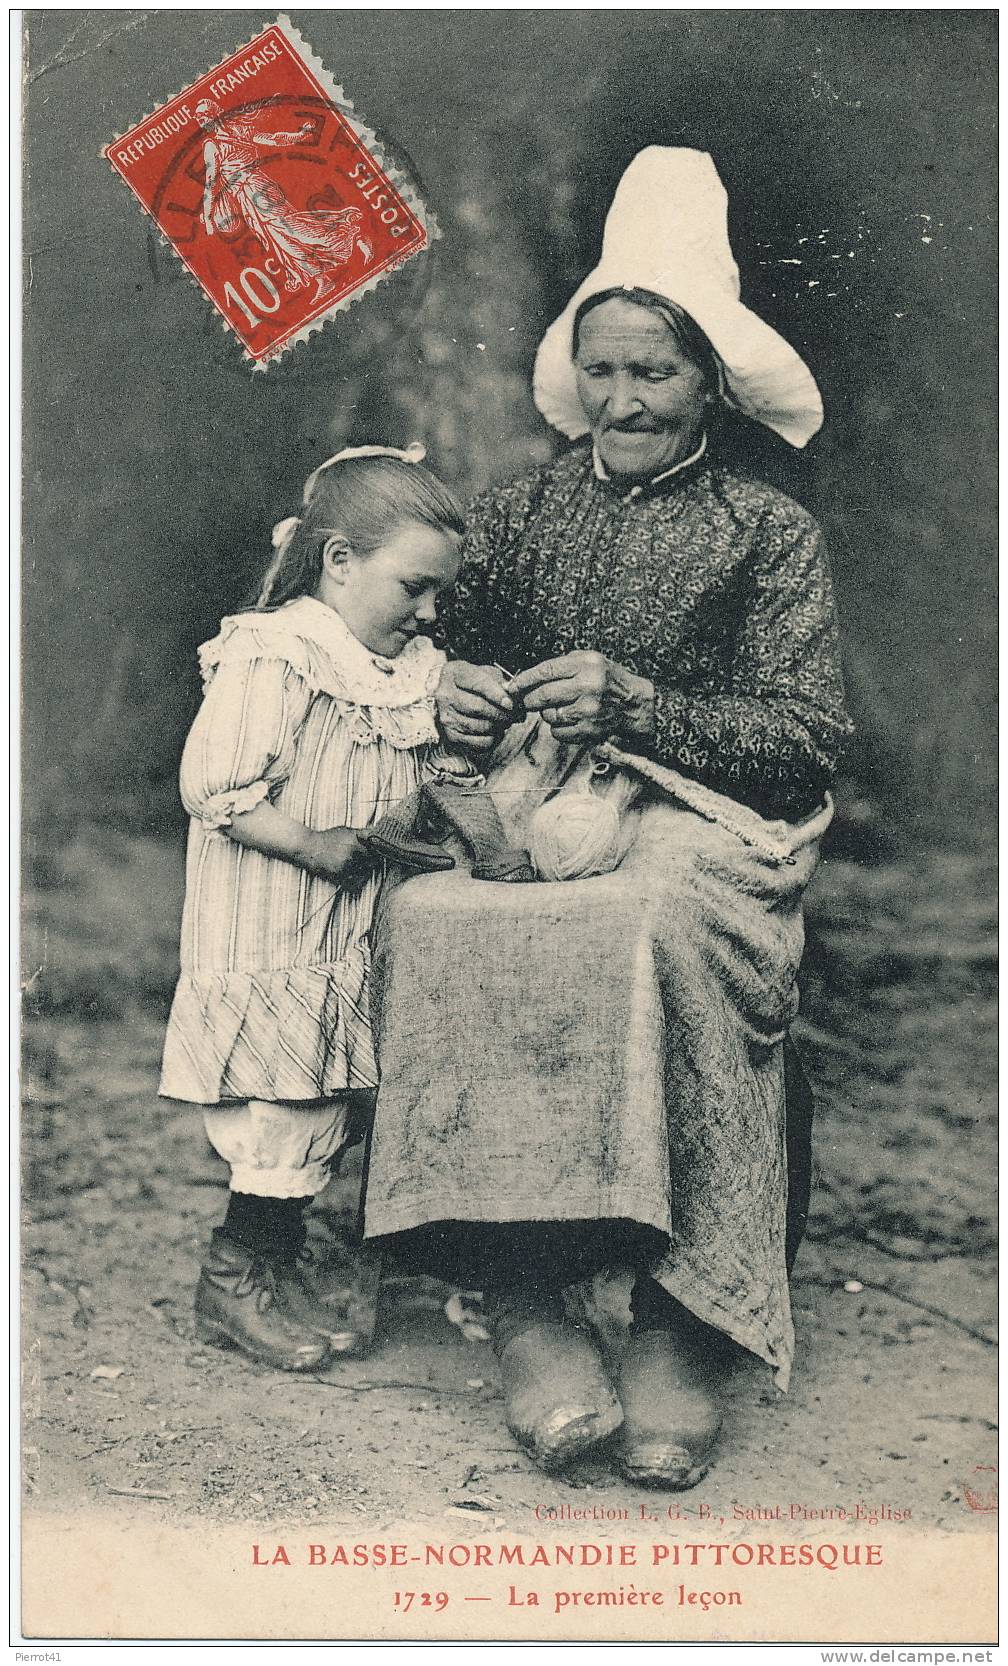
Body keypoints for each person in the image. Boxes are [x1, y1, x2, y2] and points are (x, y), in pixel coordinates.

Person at [361, 148, 853, 1486]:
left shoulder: (766, 530)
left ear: (710, 384)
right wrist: (455, 695)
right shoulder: (521, 507)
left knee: (653, 924)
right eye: (606, 370)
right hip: (550, 801)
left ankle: (685, 1322)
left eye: (658, 372)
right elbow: (435, 651)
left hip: (712, 816)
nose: (624, 399)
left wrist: (639, 702)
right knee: (436, 916)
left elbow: (806, 734)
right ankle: (525, 1300)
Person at [159, 444, 463, 1372]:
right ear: (338, 560)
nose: (429, 612)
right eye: (413, 587)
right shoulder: (279, 653)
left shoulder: (396, 665)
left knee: (326, 1093)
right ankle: (233, 1278)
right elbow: (213, 786)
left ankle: (276, 1267)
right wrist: (320, 846)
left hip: (344, 931)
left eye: (439, 593)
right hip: (274, 924)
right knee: (282, 1101)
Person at [196, 98, 373, 302]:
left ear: (215, 114)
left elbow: (211, 180)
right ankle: (322, 280)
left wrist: (209, 216)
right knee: (279, 241)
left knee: (293, 228)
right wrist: (299, 135)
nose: (200, 121)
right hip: (248, 197)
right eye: (198, 118)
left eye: (203, 116)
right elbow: (274, 139)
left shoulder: (216, 143)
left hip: (256, 189)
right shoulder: (235, 132)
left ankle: (355, 236)